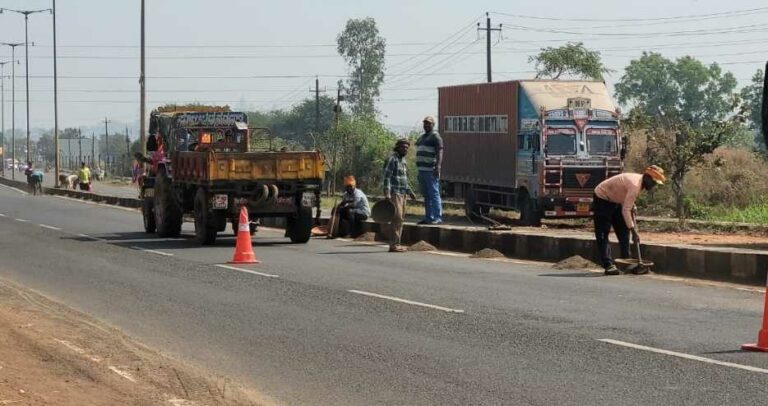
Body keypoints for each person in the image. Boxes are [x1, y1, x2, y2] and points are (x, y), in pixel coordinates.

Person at [593, 165, 666, 275]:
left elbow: (627, 199)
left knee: (623, 232)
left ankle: (626, 261)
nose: (654, 185)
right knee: (603, 233)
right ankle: (608, 265)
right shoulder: (635, 185)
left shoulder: (639, 183)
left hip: (617, 200)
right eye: (654, 182)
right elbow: (626, 210)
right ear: (647, 178)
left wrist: (633, 206)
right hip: (603, 198)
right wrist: (634, 230)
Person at [383, 139, 417, 253]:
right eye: (403, 147)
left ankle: (397, 244)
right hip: (395, 193)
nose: (405, 149)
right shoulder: (392, 159)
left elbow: (404, 180)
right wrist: (387, 192)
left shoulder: (403, 161)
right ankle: (393, 245)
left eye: (407, 147)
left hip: (403, 193)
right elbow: (387, 177)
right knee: (396, 218)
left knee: (401, 219)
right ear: (397, 147)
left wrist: (410, 192)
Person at [415, 116, 444, 225]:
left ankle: (437, 217)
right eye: (425, 123)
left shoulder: (435, 137)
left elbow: (440, 152)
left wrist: (438, 166)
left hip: (430, 170)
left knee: (434, 194)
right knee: (426, 195)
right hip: (421, 170)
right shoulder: (422, 137)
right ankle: (428, 217)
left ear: (433, 125)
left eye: (429, 123)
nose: (426, 125)